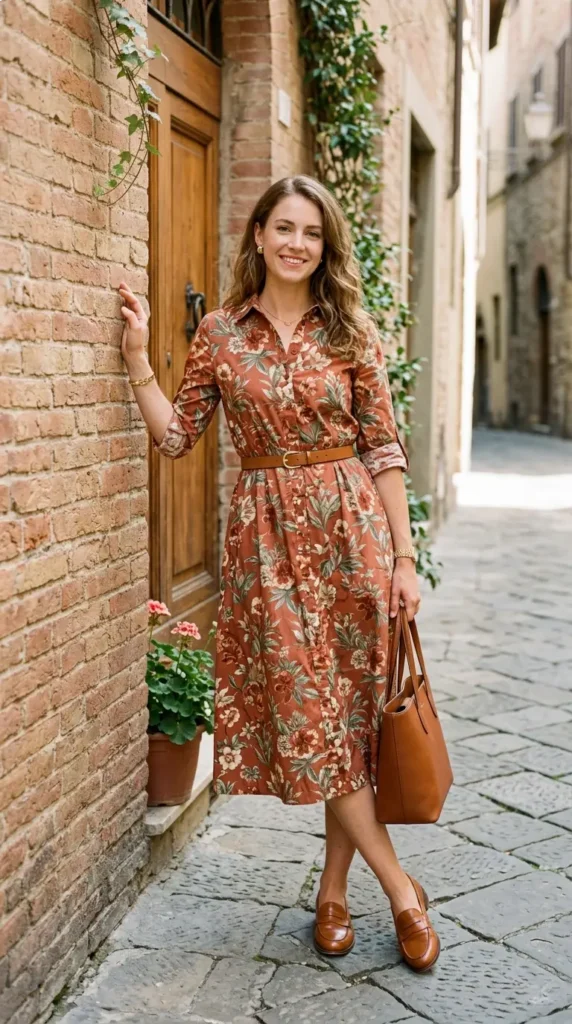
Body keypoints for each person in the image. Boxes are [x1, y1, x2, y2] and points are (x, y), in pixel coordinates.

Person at [117, 174, 440, 972]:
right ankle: (402, 891)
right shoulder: (222, 334)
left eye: (312, 233)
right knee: (314, 717)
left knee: (351, 728)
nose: (297, 243)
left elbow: (386, 450)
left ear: (324, 247)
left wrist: (402, 557)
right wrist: (136, 362)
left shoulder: (349, 331)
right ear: (257, 235)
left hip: (352, 533)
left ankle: (333, 894)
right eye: (284, 228)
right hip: (264, 549)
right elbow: (177, 438)